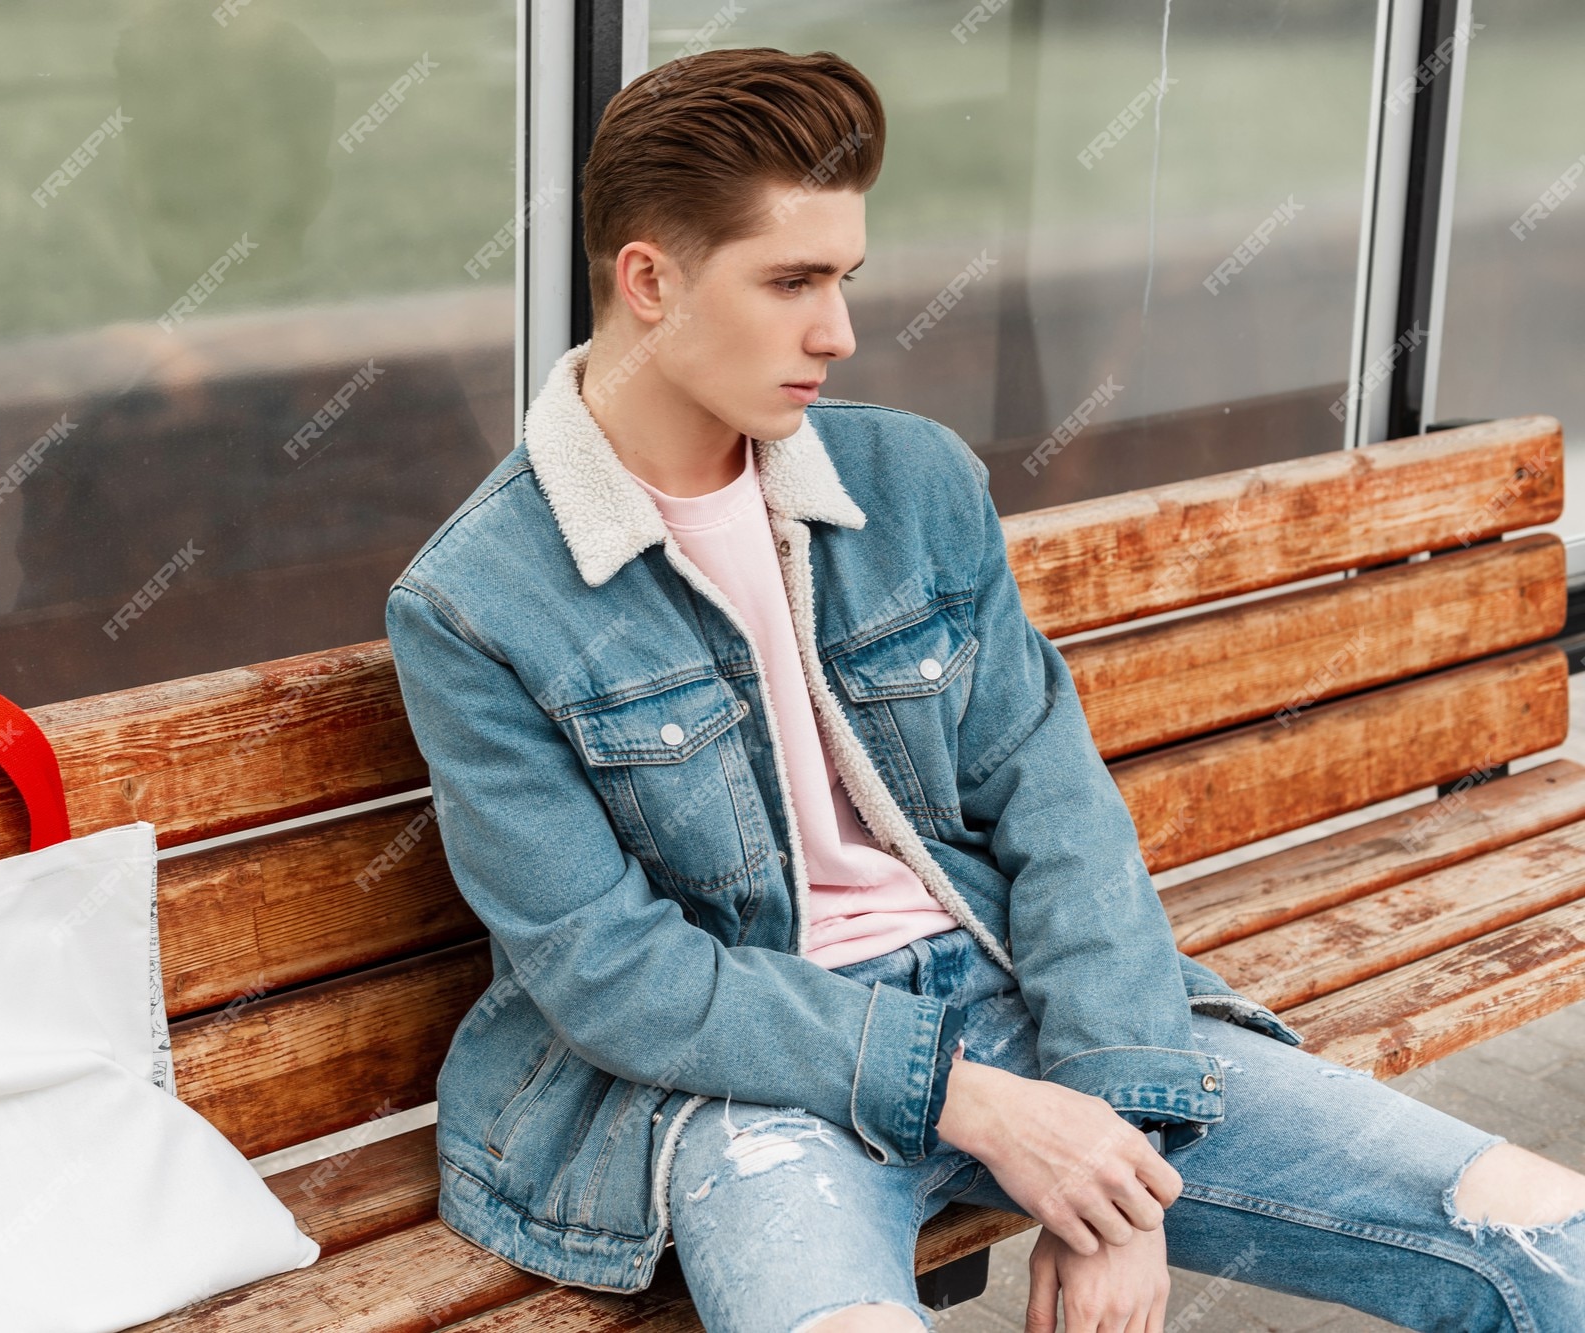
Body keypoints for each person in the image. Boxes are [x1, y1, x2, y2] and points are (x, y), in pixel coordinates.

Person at [382, 45, 1585, 1333]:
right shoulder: (475, 603)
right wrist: (980, 1106)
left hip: (1008, 984)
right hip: (745, 1087)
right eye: (790, 282)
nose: (836, 331)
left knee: (1549, 1240)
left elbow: (1056, 808)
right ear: (649, 282)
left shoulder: (911, 483)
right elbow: (614, 974)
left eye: (843, 278)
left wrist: (1113, 1143)